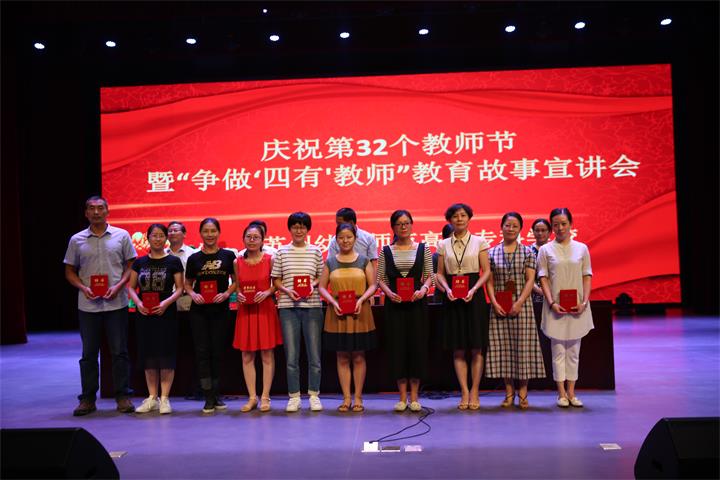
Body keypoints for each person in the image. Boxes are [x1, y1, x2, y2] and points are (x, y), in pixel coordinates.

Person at [64, 196, 137, 416]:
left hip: (116, 303)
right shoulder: (77, 239)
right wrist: (83, 287)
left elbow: (131, 265)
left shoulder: (121, 235)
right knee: (88, 354)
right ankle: (87, 399)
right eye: (91, 209)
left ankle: (122, 396)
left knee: (119, 352)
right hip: (88, 305)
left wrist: (119, 286)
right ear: (86, 213)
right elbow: (69, 271)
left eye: (100, 208)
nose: (96, 212)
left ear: (107, 211)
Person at [485, 213, 546, 409]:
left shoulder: (527, 252)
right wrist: (494, 302)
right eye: (507, 225)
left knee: (523, 349)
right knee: (503, 349)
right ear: (501, 227)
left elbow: (530, 280)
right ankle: (509, 392)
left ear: (520, 229)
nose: (510, 229)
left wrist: (519, 302)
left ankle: (523, 392)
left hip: (522, 307)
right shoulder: (492, 253)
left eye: (515, 226)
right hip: (499, 307)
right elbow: (489, 282)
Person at [434, 203, 491, 410]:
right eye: (455, 216)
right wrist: (447, 289)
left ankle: (475, 390)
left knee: (476, 347)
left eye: (463, 215)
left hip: (473, 296)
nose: (459, 219)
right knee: (458, 349)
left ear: (469, 218)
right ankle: (464, 391)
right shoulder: (443, 244)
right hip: (452, 297)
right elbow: (439, 273)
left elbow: (486, 271)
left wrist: (474, 289)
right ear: (449, 220)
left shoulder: (479, 241)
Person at [376, 210, 433, 412]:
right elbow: (380, 279)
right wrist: (389, 293)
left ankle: (415, 397)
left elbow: (430, 275)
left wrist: (423, 290)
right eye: (399, 224)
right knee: (397, 348)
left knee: (417, 348)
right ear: (393, 227)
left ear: (411, 225)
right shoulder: (386, 251)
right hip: (395, 306)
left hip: (417, 305)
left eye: (407, 223)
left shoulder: (423, 249)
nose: (403, 227)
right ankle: (402, 397)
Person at [537, 208, 594, 408]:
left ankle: (572, 392)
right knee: (558, 350)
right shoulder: (545, 250)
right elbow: (543, 278)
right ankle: (561, 393)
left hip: (578, 306)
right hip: (555, 307)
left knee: (574, 352)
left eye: (563, 223)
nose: (560, 228)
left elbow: (587, 275)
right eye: (556, 225)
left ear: (571, 224)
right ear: (551, 227)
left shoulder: (582, 248)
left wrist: (584, 302)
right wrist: (551, 302)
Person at [319, 223, 378, 412]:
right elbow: (321, 287)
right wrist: (332, 301)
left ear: (355, 238)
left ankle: (358, 397)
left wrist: (361, 300)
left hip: (360, 310)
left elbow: (373, 285)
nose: (345, 241)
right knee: (342, 356)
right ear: (336, 239)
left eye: (349, 237)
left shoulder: (364, 260)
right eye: (341, 237)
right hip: (337, 312)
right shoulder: (330, 262)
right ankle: (346, 398)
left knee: (359, 355)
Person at [127, 224, 184, 414]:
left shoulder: (173, 261)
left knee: (166, 355)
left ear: (166, 238)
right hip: (145, 314)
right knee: (148, 355)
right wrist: (138, 303)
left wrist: (166, 303)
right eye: (154, 236)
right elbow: (131, 288)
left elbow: (180, 289)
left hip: (166, 314)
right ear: (148, 238)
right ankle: (152, 397)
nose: (158, 239)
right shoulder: (139, 262)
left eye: (161, 236)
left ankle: (165, 398)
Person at [271, 212, 325, 412]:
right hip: (288, 307)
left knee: (314, 355)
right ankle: (294, 396)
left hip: (312, 306)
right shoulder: (281, 252)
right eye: (295, 226)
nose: (299, 230)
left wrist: (312, 285)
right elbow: (276, 279)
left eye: (302, 226)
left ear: (308, 229)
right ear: (290, 229)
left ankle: (314, 395)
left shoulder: (316, 251)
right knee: (291, 356)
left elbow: (321, 276)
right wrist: (287, 290)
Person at [184, 218, 237, 414]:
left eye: (213, 231)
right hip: (199, 311)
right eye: (206, 231)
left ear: (218, 233)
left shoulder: (228, 255)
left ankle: (216, 394)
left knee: (217, 352)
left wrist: (226, 293)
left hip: (220, 310)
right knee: (202, 353)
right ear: (200, 233)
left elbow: (236, 281)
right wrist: (193, 294)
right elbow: (187, 284)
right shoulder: (194, 258)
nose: (209, 235)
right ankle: (207, 396)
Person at [233, 223, 282, 413]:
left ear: (263, 240)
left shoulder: (270, 259)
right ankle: (252, 397)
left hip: (265, 309)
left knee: (267, 354)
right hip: (246, 311)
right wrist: (238, 294)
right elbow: (237, 286)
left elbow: (277, 284)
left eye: (256, 237)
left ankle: (265, 396)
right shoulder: (237, 262)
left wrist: (268, 292)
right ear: (243, 239)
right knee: (247, 355)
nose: (252, 240)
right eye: (248, 237)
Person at [166, 221, 198, 313]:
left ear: (184, 234)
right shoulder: (162, 254)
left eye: (175, 230)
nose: (172, 233)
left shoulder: (193, 254)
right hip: (166, 299)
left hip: (187, 298)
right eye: (170, 231)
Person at [432, 223, 454, 303]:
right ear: (444, 238)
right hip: (441, 295)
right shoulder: (436, 256)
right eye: (451, 237)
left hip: (458, 293)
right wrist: (446, 291)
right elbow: (434, 276)